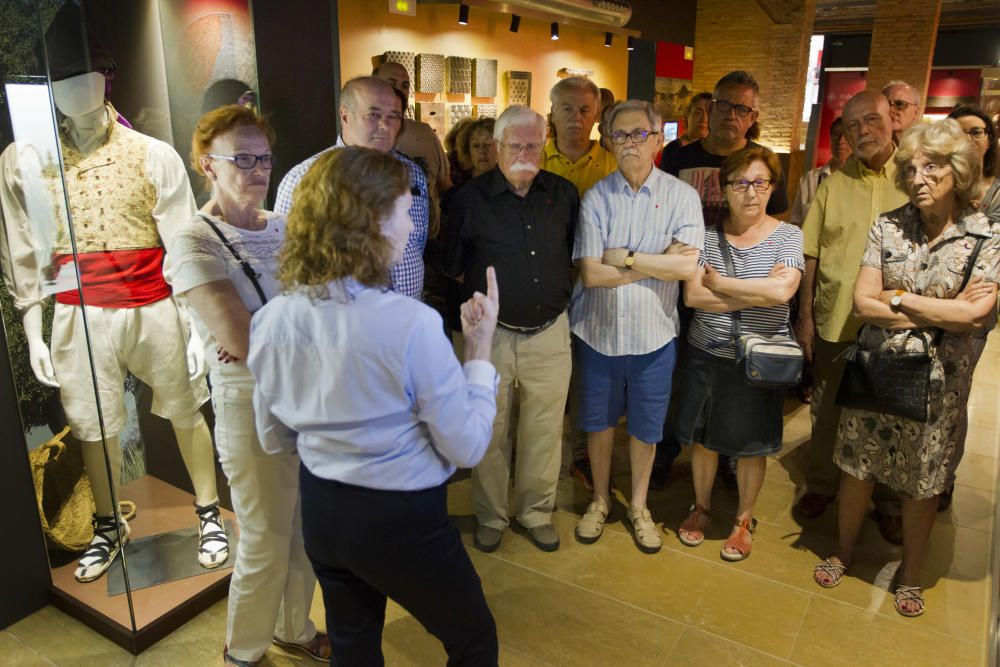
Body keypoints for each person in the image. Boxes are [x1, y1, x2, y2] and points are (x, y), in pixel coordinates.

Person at [248, 147, 501, 664]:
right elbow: (469, 445)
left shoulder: (273, 319)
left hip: (323, 508)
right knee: (473, 639)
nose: (412, 229)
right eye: (406, 212)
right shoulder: (410, 324)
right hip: (400, 516)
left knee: (353, 642)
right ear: (369, 222)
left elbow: (274, 438)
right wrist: (479, 351)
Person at [0, 10, 221, 584]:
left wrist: (197, 324)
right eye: (60, 80)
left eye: (86, 75)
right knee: (92, 423)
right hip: (78, 314)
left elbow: (181, 244)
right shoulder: (28, 163)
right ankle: (106, 522)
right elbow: (25, 250)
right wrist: (32, 330)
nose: (73, 90)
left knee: (185, 408)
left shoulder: (153, 154)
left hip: (153, 304)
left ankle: (206, 511)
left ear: (107, 79)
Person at [812, 118, 1000, 618]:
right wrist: (936, 306)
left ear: (957, 170)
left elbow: (976, 316)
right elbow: (862, 304)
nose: (918, 177)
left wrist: (896, 298)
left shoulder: (984, 236)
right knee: (857, 468)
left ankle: (911, 575)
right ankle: (844, 551)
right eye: (911, 168)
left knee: (923, 483)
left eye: (932, 167)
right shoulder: (888, 225)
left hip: (942, 383)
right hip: (877, 368)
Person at [169, 106, 328, 667]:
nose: (257, 169)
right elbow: (239, 335)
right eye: (243, 158)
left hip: (307, 392)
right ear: (207, 164)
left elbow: (326, 307)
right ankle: (244, 651)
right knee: (263, 537)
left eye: (263, 157)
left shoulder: (284, 228)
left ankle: (294, 627)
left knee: (307, 526)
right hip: (248, 398)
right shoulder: (194, 240)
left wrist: (270, 327)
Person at [571, 99, 703, 554]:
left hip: (654, 336)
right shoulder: (596, 197)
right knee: (599, 424)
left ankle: (640, 505)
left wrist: (625, 258)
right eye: (620, 135)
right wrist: (657, 263)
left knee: (647, 428)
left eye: (638, 134)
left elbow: (687, 268)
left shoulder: (682, 196)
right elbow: (591, 274)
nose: (629, 143)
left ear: (657, 138)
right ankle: (601, 499)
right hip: (598, 333)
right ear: (608, 142)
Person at [444, 106, 578, 554]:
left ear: (545, 145)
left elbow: (574, 255)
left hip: (551, 331)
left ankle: (536, 512)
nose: (525, 153)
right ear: (497, 147)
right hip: (493, 335)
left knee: (544, 429)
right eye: (515, 145)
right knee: (490, 428)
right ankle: (490, 515)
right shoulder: (468, 198)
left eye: (534, 145)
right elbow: (452, 266)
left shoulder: (564, 194)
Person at [674, 146, 803, 561]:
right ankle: (702, 506)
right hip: (706, 352)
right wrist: (757, 293)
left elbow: (783, 292)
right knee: (705, 439)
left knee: (752, 445)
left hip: (759, 359)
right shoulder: (705, 236)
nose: (751, 192)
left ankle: (744, 519)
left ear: (772, 188)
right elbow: (694, 295)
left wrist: (723, 284)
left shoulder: (789, 235)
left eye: (760, 182)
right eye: (741, 183)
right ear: (724, 188)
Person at [794, 91, 911, 541]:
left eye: (872, 120)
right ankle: (822, 484)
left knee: (890, 413)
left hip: (894, 324)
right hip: (837, 319)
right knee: (827, 409)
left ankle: (887, 499)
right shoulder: (834, 184)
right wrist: (805, 317)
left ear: (892, 120)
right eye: (852, 124)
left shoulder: (914, 179)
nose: (863, 131)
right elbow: (810, 254)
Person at [274, 76, 429, 300]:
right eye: (374, 115)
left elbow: (417, 241)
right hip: (340, 320)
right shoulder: (305, 178)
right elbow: (287, 255)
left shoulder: (412, 174)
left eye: (393, 117)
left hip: (407, 313)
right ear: (345, 115)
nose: (385, 126)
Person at [541, 76, 618, 491]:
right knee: (550, 376)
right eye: (567, 108)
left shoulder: (612, 165)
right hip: (547, 288)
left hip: (597, 289)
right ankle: (550, 452)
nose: (575, 118)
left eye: (585, 110)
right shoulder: (535, 160)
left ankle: (584, 454)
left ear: (597, 116)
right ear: (552, 112)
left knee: (590, 376)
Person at [660, 71, 790, 227]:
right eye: (724, 105)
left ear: (752, 118)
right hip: (687, 248)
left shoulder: (764, 163)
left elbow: (776, 220)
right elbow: (661, 212)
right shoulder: (678, 156)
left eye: (741, 109)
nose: (731, 116)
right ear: (711, 109)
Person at [374, 61, 452, 221]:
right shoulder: (366, 137)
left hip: (430, 241)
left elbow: (445, 185)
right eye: (391, 83)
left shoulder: (425, 133)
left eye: (405, 85)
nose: (399, 90)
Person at [789, 117, 851, 226]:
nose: (841, 141)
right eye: (836, 134)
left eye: (846, 135)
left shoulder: (862, 180)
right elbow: (796, 221)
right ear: (830, 138)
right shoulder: (809, 179)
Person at [948, 105, 1000, 223]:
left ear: (989, 140)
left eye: (976, 132)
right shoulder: (937, 188)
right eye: (958, 134)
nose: (967, 139)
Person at [659, 92, 712, 167]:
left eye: (709, 113)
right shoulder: (673, 150)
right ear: (687, 114)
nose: (704, 119)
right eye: (698, 113)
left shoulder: (717, 151)